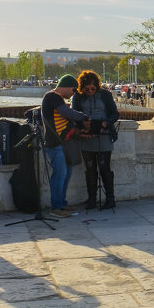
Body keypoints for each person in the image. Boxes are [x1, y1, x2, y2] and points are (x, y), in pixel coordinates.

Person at [41, 74, 91, 217]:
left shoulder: (57, 99)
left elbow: (64, 120)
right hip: (55, 144)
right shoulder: (53, 96)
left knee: (66, 174)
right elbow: (66, 112)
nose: (73, 94)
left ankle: (62, 204)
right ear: (67, 86)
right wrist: (83, 116)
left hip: (63, 144)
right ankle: (56, 207)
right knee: (60, 175)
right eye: (74, 90)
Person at [71, 70, 119, 210]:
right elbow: (74, 115)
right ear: (82, 88)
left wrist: (105, 123)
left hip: (103, 135)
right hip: (86, 137)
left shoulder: (105, 95)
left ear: (97, 86)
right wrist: (83, 125)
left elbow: (115, 114)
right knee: (90, 169)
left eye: (93, 89)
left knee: (105, 168)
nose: (90, 91)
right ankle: (92, 199)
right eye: (87, 89)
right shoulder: (77, 97)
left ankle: (110, 199)